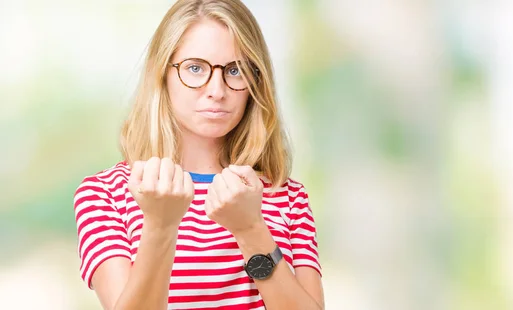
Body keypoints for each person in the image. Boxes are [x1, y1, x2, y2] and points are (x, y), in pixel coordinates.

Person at [72, 1, 324, 309]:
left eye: (235, 70)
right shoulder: (103, 195)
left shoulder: (288, 197)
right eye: (195, 68)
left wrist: (250, 230)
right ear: (162, 73)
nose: (217, 90)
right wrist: (161, 225)